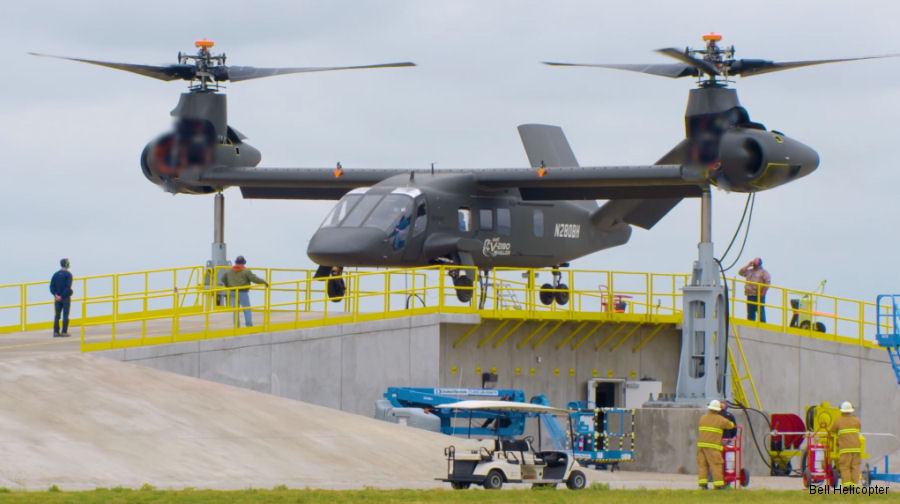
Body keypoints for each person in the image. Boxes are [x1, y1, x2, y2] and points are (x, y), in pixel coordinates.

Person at [697, 399, 735, 489]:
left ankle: (703, 484)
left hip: (701, 446)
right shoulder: (720, 419)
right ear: (718, 410)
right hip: (713, 447)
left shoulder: (702, 418)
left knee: (703, 465)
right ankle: (718, 485)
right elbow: (731, 425)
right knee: (716, 465)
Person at [222, 255, 268, 327]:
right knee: (246, 309)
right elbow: (255, 279)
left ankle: (236, 327)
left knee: (235, 310)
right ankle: (249, 325)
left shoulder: (229, 271)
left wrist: (228, 285)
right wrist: (264, 282)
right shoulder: (246, 271)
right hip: (242, 292)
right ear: (244, 262)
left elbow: (223, 279)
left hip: (233, 292)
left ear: (236, 262)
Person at [830, 401, 862, 488]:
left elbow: (832, 431)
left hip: (845, 449)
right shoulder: (856, 420)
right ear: (851, 410)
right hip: (856, 448)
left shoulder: (839, 421)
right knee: (855, 467)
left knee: (845, 467)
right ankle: (854, 485)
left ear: (841, 411)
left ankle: (847, 486)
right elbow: (859, 427)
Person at [739, 257, 771, 322]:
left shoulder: (763, 272)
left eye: (755, 261)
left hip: (758, 295)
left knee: (760, 312)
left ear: (759, 263)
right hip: (750, 294)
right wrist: (748, 265)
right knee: (750, 312)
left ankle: (762, 325)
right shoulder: (750, 271)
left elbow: (767, 283)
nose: (753, 262)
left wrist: (763, 293)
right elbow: (740, 273)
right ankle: (750, 324)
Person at [49, 258, 74, 337]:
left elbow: (52, 286)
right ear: (66, 264)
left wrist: (56, 295)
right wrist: (62, 296)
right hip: (65, 298)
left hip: (57, 298)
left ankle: (56, 332)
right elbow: (68, 287)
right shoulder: (68, 275)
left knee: (57, 315)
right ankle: (64, 332)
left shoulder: (55, 274)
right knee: (65, 315)